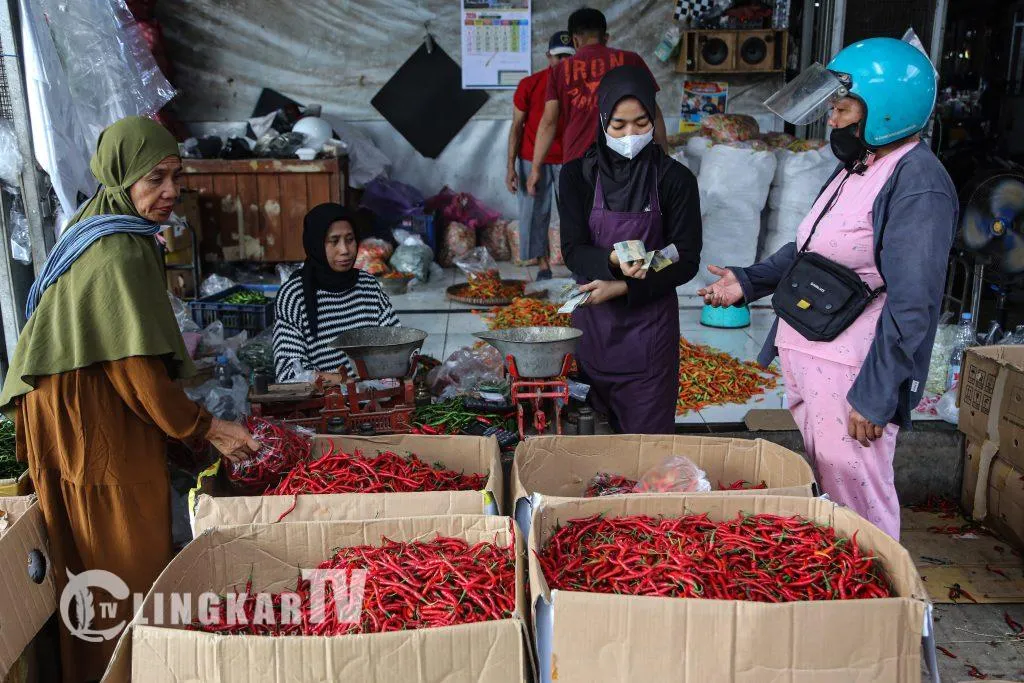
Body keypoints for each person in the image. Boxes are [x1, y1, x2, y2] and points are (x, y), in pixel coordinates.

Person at [0, 116, 258, 681]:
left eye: (176, 177)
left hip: (78, 406)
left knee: (88, 559)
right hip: (88, 420)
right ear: (122, 178)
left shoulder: (106, 225)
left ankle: (103, 668)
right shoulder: (118, 251)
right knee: (121, 560)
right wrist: (203, 427)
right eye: (154, 178)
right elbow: (134, 365)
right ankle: (119, 670)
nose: (169, 192)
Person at [699, 38, 957, 540]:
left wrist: (878, 392)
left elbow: (914, 301)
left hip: (855, 373)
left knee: (861, 500)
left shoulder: (916, 181)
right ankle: (843, 602)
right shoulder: (859, 166)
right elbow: (809, 247)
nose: (832, 121)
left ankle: (880, 607)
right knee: (833, 494)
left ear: (886, 111)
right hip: (815, 356)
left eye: (842, 109)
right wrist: (747, 281)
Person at [561, 66, 702, 434]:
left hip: (649, 334)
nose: (630, 135)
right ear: (602, 120)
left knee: (647, 449)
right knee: (592, 445)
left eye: (641, 123)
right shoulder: (577, 175)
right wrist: (611, 259)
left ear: (654, 119)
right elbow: (573, 250)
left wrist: (624, 285)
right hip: (592, 329)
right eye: (619, 125)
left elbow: (684, 256)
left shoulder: (675, 179)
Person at [527, 7, 668, 195]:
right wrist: (665, 159)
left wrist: (536, 168)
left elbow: (549, 122)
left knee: (581, 222)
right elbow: (654, 114)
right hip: (626, 164)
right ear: (605, 37)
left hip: (577, 163)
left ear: (574, 40)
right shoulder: (631, 60)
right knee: (623, 221)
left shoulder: (559, 70)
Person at [274, 203, 400, 383]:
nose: (345, 250)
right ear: (315, 244)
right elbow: (289, 373)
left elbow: (395, 344)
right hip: (323, 405)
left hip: (374, 396)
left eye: (350, 239)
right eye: (334, 241)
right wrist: (342, 383)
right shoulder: (294, 296)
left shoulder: (369, 286)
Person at [505, 30, 575, 279]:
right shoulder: (530, 84)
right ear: (548, 56)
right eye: (559, 57)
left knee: (575, 214)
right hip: (531, 158)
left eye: (569, 57)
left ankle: (578, 263)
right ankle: (542, 263)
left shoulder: (581, 87)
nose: (564, 62)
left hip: (570, 159)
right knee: (534, 213)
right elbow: (516, 127)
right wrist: (510, 167)